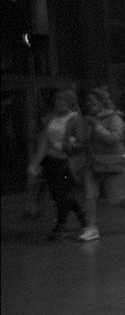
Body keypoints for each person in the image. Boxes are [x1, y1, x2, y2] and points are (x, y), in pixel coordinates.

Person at [76, 87, 125, 242]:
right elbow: (85, 140)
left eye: (94, 101)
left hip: (110, 162)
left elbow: (114, 138)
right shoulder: (88, 119)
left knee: (116, 196)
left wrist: (97, 127)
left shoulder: (114, 118)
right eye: (88, 101)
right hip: (93, 161)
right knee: (90, 195)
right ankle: (92, 228)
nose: (90, 104)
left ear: (102, 102)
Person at [27, 88, 89, 240]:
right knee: (56, 194)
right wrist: (36, 162)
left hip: (67, 160)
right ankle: (80, 212)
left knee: (62, 194)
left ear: (69, 102)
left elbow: (81, 141)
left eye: (62, 99)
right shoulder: (51, 118)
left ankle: (60, 226)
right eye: (57, 99)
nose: (58, 101)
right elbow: (44, 142)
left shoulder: (75, 118)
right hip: (51, 160)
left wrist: (70, 144)